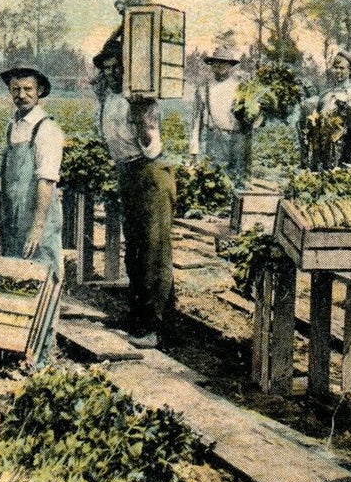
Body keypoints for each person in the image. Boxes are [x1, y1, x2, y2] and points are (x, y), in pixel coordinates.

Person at [95, 35, 175, 349]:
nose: (113, 73)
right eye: (108, 68)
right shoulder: (107, 96)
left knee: (154, 251)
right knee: (135, 250)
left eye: (119, 67)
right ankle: (138, 317)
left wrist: (141, 117)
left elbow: (151, 147)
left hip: (150, 173)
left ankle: (156, 327)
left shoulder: (141, 100)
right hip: (126, 172)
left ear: (130, 69)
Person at [0, 64, 64, 275]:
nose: (22, 95)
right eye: (16, 90)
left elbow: (46, 181)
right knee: (14, 273)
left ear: (39, 92)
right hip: (12, 216)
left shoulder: (46, 129)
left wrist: (37, 228)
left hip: (37, 216)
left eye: (28, 89)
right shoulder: (13, 126)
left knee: (42, 271)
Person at [189, 42, 252, 187]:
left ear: (230, 65)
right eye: (216, 63)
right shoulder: (204, 88)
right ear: (211, 65)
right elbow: (196, 121)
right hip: (215, 139)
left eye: (224, 63)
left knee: (238, 182)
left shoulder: (240, 86)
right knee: (216, 180)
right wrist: (194, 151)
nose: (220, 66)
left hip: (238, 139)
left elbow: (251, 116)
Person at [302, 49, 351, 170]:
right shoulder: (325, 95)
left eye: (342, 68)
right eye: (335, 68)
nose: (338, 71)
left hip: (346, 153)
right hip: (324, 152)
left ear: (350, 71)